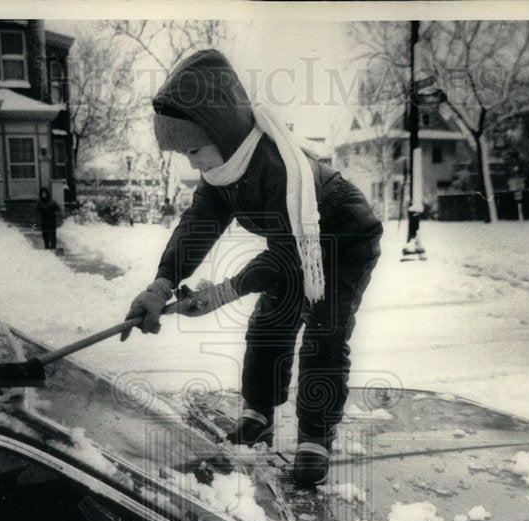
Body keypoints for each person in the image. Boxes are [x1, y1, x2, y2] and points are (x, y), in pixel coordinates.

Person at [121, 50, 382, 486]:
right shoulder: (221, 173)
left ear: (221, 132)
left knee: (324, 335)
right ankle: (258, 416)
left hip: (345, 237)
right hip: (296, 246)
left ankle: (315, 439)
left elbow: (285, 255)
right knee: (267, 328)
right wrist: (162, 282)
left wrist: (221, 293)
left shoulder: (276, 167)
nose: (193, 162)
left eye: (194, 149)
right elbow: (196, 228)